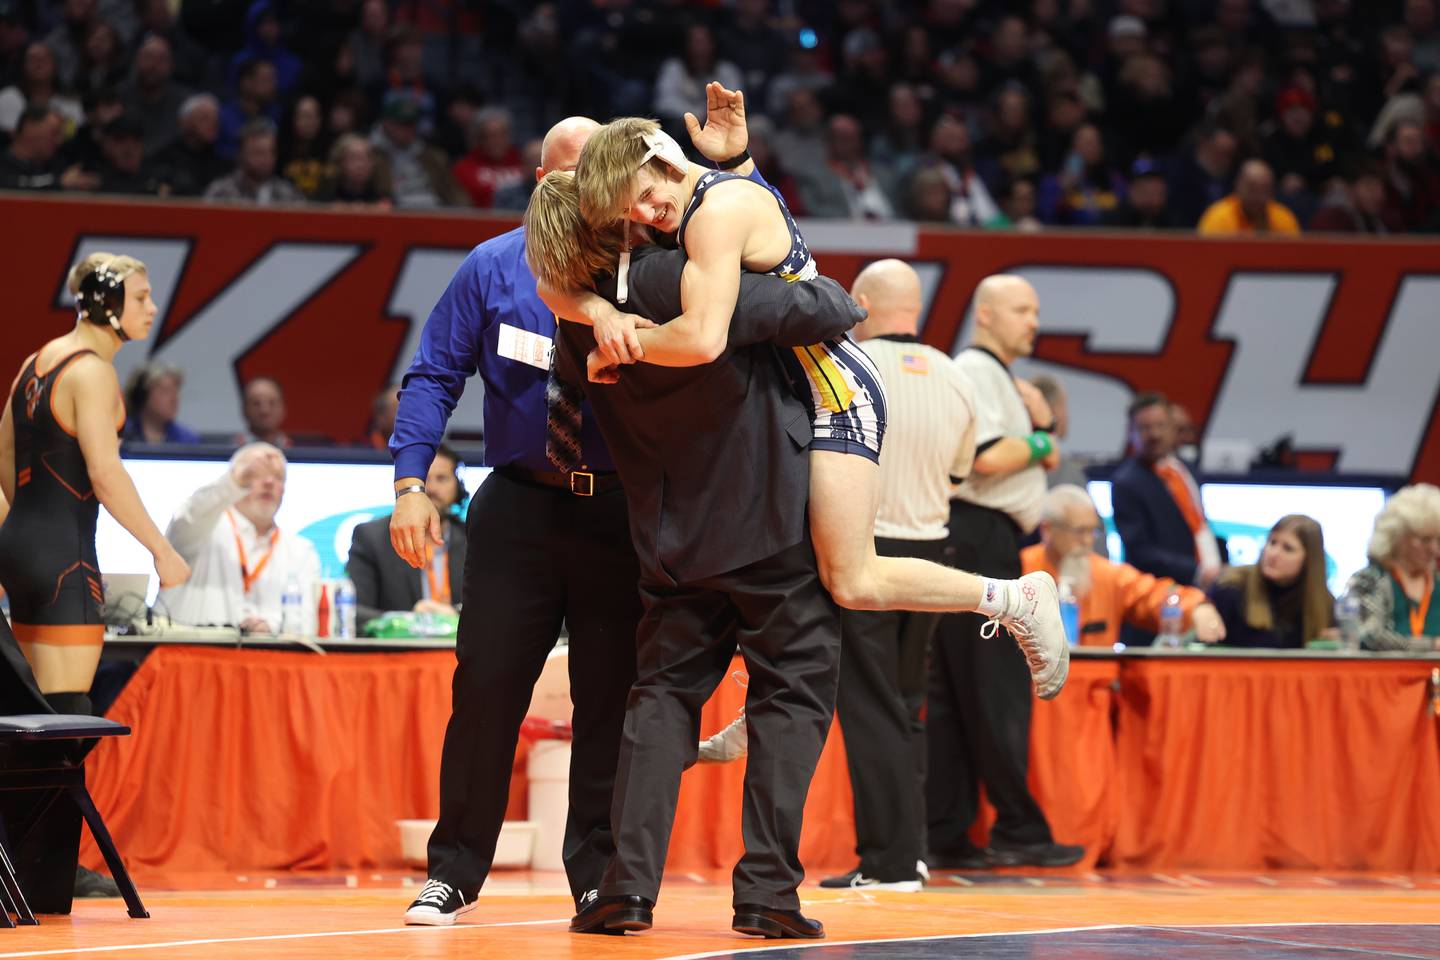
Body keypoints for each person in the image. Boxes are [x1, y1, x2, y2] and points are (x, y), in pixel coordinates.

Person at [556, 91, 1065, 697]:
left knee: (852, 578)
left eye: (646, 195)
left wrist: (611, 343)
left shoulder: (712, 213)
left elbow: (701, 340)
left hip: (835, 392)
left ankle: (1014, 597)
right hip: (791, 394)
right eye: (632, 211)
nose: (648, 213)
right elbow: (550, 283)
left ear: (665, 160)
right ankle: (769, 692)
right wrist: (595, 307)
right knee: (774, 559)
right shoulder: (704, 199)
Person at [526, 170, 860, 939]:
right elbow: (831, 307)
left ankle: (625, 890)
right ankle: (767, 893)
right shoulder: (677, 278)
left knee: (660, 701)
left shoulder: (578, 325)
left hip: (671, 541)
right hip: (770, 528)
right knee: (790, 700)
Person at [387, 114, 669, 928]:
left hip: (620, 509)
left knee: (609, 697)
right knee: (485, 686)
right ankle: (456, 870)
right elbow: (433, 373)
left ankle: (596, 873)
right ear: (547, 182)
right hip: (519, 502)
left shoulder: (646, 266)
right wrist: (411, 483)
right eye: (582, 176)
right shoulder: (490, 267)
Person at [0, 250, 190, 910]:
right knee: (63, 721)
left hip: (22, 549)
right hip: (64, 561)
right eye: (141, 296)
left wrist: (21, 538)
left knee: (28, 715)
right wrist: (162, 551)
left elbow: (4, 458)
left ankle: (28, 869)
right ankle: (50, 876)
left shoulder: (36, 363)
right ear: (109, 303)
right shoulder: (93, 373)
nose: (152, 308)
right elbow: (106, 477)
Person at [819, 259, 977, 893]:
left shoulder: (849, 366)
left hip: (868, 551)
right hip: (934, 556)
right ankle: (907, 854)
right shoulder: (957, 377)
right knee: (907, 707)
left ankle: (889, 864)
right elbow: (963, 473)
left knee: (871, 707)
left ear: (860, 302)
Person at [925, 274, 1083, 872]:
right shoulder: (977, 368)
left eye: (1036, 310)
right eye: (1022, 309)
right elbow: (987, 457)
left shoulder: (991, 373)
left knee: (961, 694)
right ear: (985, 313)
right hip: (979, 535)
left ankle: (948, 829)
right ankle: (1017, 827)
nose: (1034, 321)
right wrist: (1044, 439)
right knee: (994, 689)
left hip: (977, 536)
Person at [1022, 486, 1225, 648]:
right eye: (1079, 531)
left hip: (1096, 695)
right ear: (1047, 530)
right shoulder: (1019, 570)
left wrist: (1197, 606)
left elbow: (1152, 594)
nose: (1087, 541)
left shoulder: (1108, 575)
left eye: (1093, 531)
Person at [159, 443, 319, 634]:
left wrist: (271, 627)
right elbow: (187, 518)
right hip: (188, 655)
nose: (269, 482)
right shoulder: (204, 528)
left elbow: (309, 617)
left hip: (267, 658)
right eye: (256, 473)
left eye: (278, 477)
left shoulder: (301, 551)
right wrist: (234, 482)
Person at [1112, 392, 1222, 594]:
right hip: (1159, 594)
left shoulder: (1186, 469)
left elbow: (1198, 524)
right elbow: (1141, 551)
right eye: (1145, 428)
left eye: (1160, 425)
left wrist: (1218, 562)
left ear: (1173, 427)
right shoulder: (1126, 482)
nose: (1154, 434)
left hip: (1205, 585)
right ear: (1131, 433)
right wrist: (1197, 570)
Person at [347, 444, 465, 629]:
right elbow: (352, 611)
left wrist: (456, 616)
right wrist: (408, 622)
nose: (432, 488)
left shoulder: (475, 541)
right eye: (424, 478)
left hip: (461, 653)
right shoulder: (371, 538)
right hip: (399, 654)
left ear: (457, 485)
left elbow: (497, 606)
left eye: (441, 478)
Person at [1208, 515, 1333, 649]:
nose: (1274, 553)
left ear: (1309, 560)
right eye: (1272, 542)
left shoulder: (1324, 602)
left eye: (1288, 548)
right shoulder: (1231, 588)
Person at [1344, 484, 1440, 652]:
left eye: (1438, 540)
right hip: (1385, 677)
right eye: (1425, 540)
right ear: (1398, 537)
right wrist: (1432, 646)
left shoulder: (1437, 582)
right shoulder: (1368, 581)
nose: (1435, 550)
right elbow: (1370, 637)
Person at [1197, 159, 1302, 235]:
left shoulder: (1284, 218)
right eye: (1252, 189)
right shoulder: (1218, 217)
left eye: (1265, 189)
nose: (1259, 196)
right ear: (1238, 186)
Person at [122, 361, 201, 444]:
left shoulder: (187, 440)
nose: (174, 399)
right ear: (142, 395)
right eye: (166, 391)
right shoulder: (118, 436)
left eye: (176, 391)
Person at [237, 375, 290, 448]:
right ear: (244, 409)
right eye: (256, 403)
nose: (264, 411)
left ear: (282, 408)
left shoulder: (298, 449)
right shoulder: (229, 451)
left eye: (272, 403)